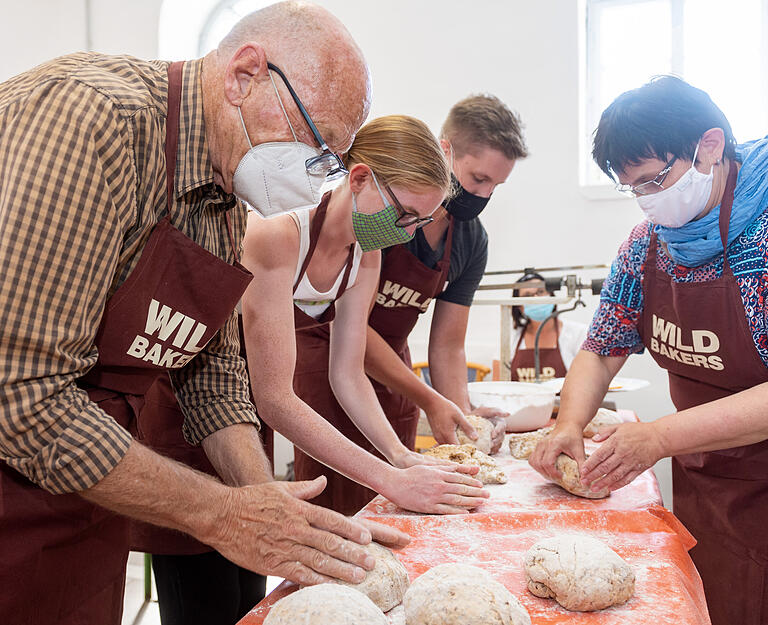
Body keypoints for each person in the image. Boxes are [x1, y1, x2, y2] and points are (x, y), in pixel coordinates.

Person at [0, 4, 409, 624]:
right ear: (245, 75)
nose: (316, 179)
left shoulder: (223, 201)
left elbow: (212, 377)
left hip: (89, 491)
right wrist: (220, 514)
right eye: (314, 141)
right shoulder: (90, 121)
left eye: (331, 159)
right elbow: (22, 394)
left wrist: (263, 499)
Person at [135, 115, 488, 624]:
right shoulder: (279, 233)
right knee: (205, 598)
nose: (406, 232)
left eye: (418, 222)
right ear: (360, 177)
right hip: (189, 410)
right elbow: (276, 398)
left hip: (241, 418)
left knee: (250, 595)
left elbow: (348, 374)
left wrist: (399, 456)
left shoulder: (365, 254)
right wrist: (391, 481)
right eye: (404, 214)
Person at [530, 76, 768, 625]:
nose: (649, 200)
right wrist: (568, 421)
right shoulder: (649, 245)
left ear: (709, 146)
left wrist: (657, 437)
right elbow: (602, 348)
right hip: (706, 481)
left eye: (655, 179)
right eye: (633, 188)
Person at [294, 94, 529, 515]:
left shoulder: (466, 241)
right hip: (322, 351)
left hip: (393, 373)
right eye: (478, 179)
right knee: (342, 507)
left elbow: (447, 344)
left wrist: (458, 413)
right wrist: (429, 398)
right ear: (445, 151)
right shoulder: (376, 222)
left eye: (495, 186)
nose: (483, 194)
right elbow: (347, 343)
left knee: (400, 505)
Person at [505, 271, 587, 382]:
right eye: (527, 295)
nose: (536, 298)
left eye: (540, 292)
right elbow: (499, 385)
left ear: (551, 296)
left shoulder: (578, 334)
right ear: (519, 306)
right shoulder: (509, 339)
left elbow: (586, 382)